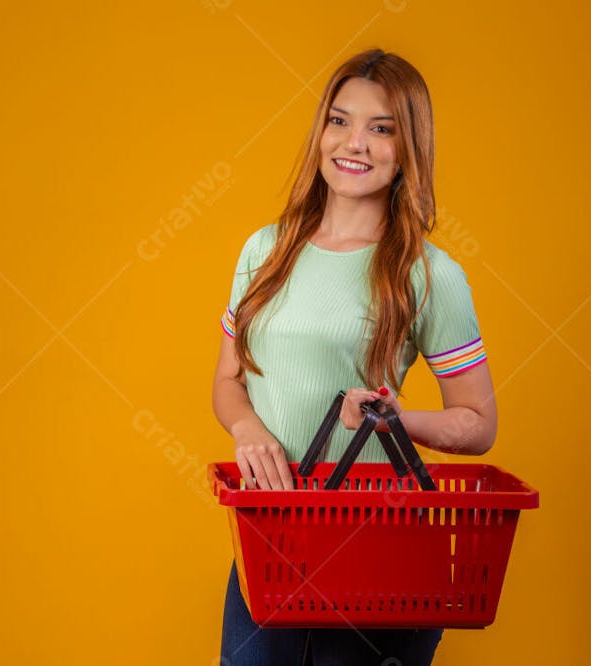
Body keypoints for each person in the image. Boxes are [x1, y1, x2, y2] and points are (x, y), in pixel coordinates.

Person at [211, 48, 497, 666]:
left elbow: (478, 424)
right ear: (320, 132)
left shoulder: (427, 274)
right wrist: (248, 429)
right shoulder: (267, 249)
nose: (355, 143)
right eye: (339, 121)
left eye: (381, 128)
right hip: (273, 544)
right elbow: (228, 380)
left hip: (382, 552)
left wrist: (396, 417)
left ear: (407, 148)